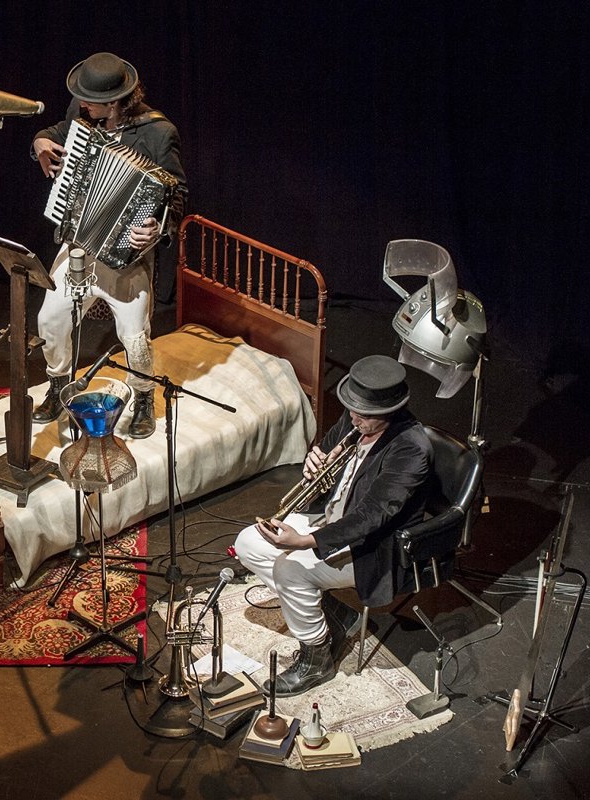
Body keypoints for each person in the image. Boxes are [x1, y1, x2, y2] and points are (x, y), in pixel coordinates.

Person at [233, 355, 433, 696]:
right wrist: (315, 460)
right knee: (248, 543)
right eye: (352, 409)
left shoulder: (410, 449)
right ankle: (337, 615)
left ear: (389, 411)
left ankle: (317, 658)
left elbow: (371, 516)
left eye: (363, 414)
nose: (353, 418)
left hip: (371, 547)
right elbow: (327, 454)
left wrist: (307, 542)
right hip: (329, 518)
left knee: (290, 569)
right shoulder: (357, 418)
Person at [30, 52, 187, 438]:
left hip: (125, 256)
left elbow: (178, 195)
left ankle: (144, 396)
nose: (81, 104)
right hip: (80, 244)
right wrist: (41, 144)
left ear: (114, 102)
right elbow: (52, 133)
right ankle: (58, 384)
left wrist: (157, 228)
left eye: (89, 100)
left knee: (134, 336)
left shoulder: (158, 132)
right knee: (49, 319)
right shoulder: (81, 114)